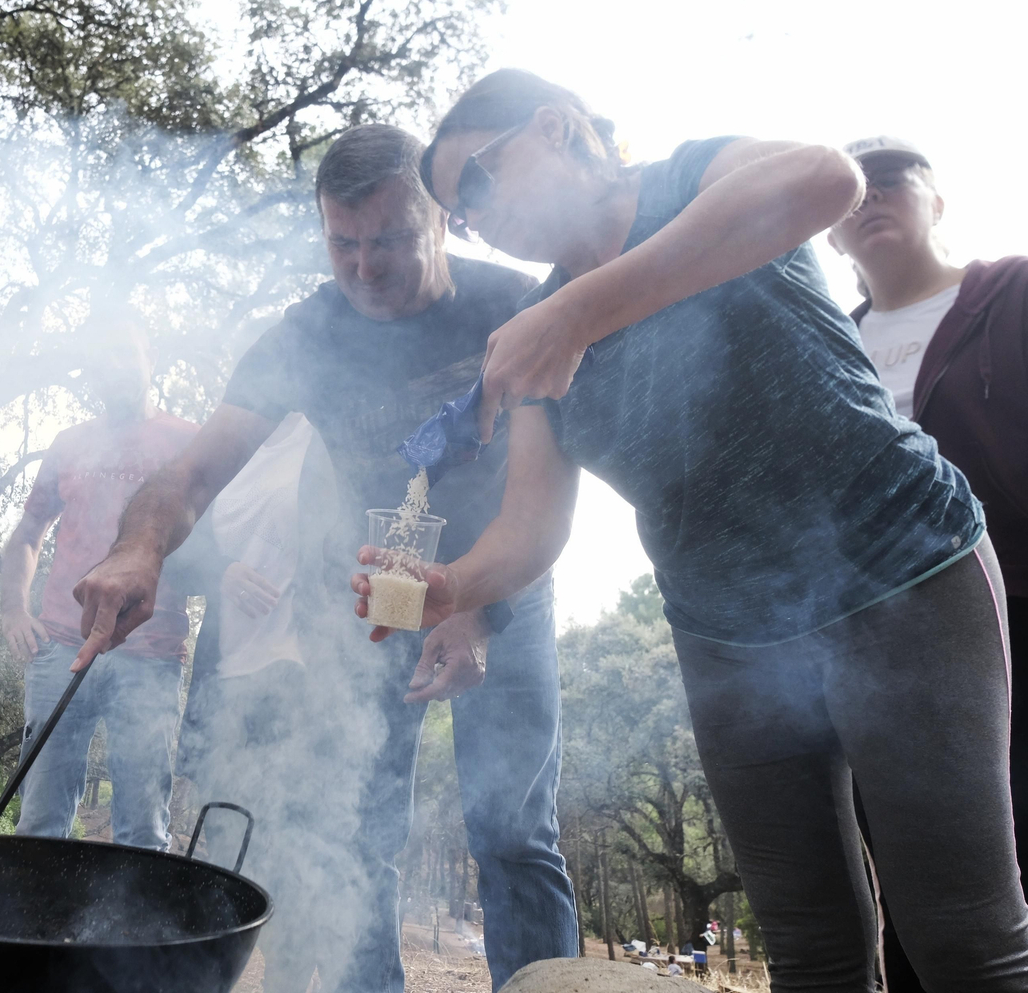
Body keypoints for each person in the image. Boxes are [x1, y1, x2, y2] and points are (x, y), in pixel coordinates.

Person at [352, 68, 1027, 991]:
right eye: (459, 217)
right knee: (813, 951)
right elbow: (534, 525)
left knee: (964, 943)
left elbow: (827, 178)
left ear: (558, 129)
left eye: (476, 182)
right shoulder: (536, 326)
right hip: (728, 641)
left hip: (901, 578)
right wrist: (455, 586)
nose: (475, 222)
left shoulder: (690, 184)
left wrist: (581, 309)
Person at [70, 124, 579, 992]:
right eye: (343, 244)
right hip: (376, 598)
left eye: (390, 242)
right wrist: (138, 550)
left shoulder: (519, 306)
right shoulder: (306, 335)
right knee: (358, 825)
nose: (364, 270)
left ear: (442, 222)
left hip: (503, 586)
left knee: (512, 831)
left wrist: (477, 605)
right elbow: (192, 471)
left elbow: (553, 493)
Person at [827, 136, 1028, 991]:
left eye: (893, 181)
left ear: (937, 200)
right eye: (853, 191)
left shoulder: (1011, 294)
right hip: (873, 642)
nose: (871, 197)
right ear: (830, 236)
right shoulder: (824, 344)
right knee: (912, 871)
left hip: (1011, 606)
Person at [0, 317, 198, 849]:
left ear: (149, 356)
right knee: (40, 821)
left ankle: (134, 932)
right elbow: (26, 533)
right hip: (60, 649)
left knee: (142, 829)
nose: (114, 368)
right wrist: (14, 610)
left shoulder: (187, 442)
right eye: (101, 359)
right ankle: (32, 926)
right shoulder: (70, 443)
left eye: (124, 353)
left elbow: (221, 536)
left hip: (150, 654)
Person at [172, 412, 327, 993]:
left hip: (294, 675)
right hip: (224, 676)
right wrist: (224, 569)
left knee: (290, 853)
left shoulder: (325, 437)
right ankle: (215, 981)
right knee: (223, 847)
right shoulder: (235, 448)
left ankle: (285, 986)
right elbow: (179, 548)